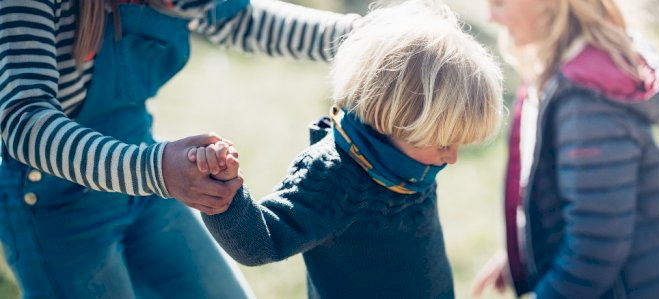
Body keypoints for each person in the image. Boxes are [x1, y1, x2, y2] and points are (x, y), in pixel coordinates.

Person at [0, 0, 360, 298]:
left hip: (144, 180)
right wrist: (155, 168)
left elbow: (240, 19)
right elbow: (24, 120)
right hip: (54, 205)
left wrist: (361, 37)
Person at [189, 0, 504, 297]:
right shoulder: (334, 179)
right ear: (396, 118)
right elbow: (260, 242)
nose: (452, 157)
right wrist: (222, 194)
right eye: (446, 143)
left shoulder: (410, 161)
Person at [472, 0, 659, 298]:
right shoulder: (566, 75)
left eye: (499, 3)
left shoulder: (586, 100)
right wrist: (526, 253)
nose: (491, 16)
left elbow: (596, 246)